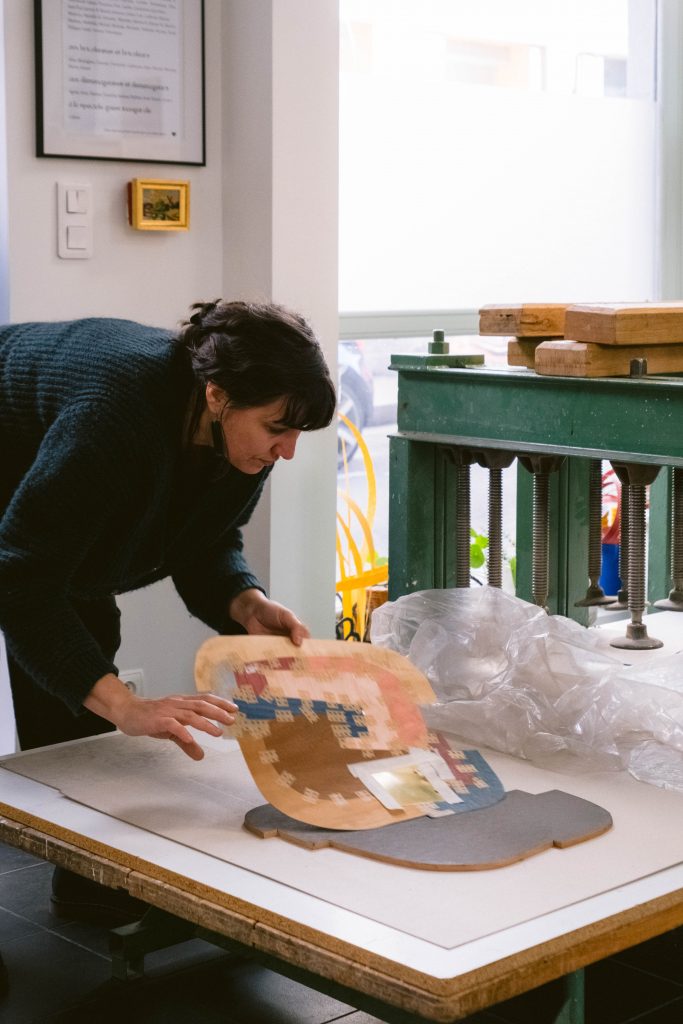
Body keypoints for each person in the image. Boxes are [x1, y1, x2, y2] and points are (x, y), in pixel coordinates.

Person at [0, 299, 336, 926]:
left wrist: (245, 601)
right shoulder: (114, 416)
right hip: (22, 460)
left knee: (82, 656)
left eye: (298, 434)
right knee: (88, 673)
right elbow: (21, 580)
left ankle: (86, 875)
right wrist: (125, 704)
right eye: (277, 428)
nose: (287, 451)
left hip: (47, 504)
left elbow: (206, 540)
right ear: (217, 396)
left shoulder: (243, 440)